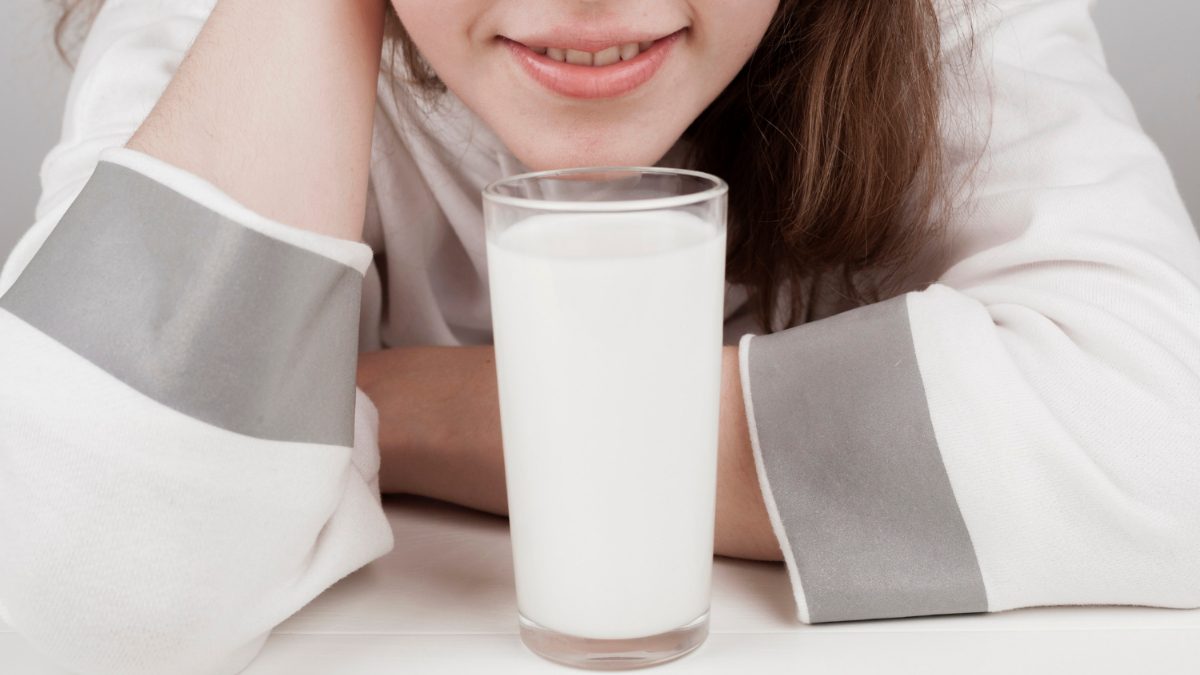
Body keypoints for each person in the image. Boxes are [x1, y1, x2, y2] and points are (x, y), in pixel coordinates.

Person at [1, 0, 1198, 672]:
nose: (591, 3)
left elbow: (1168, 440)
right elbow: (70, 590)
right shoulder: (220, 36)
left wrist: (390, 403)